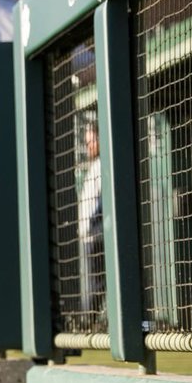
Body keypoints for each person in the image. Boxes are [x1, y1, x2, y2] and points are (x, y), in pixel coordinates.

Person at [77, 120, 104, 317]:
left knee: (97, 282)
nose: (89, 146)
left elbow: (101, 203)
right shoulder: (94, 166)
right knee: (92, 282)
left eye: (91, 141)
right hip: (89, 235)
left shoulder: (103, 165)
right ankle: (91, 321)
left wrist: (92, 223)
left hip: (97, 235)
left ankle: (91, 321)